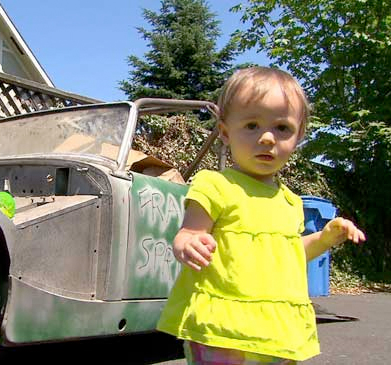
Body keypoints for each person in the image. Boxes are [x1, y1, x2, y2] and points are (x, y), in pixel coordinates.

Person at [156, 66, 366, 364]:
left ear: (298, 137)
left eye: (282, 128)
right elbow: (191, 232)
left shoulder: (291, 201)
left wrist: (324, 238)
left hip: (276, 331)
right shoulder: (216, 185)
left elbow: (288, 253)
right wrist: (188, 241)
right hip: (222, 330)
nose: (267, 138)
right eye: (252, 125)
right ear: (226, 132)